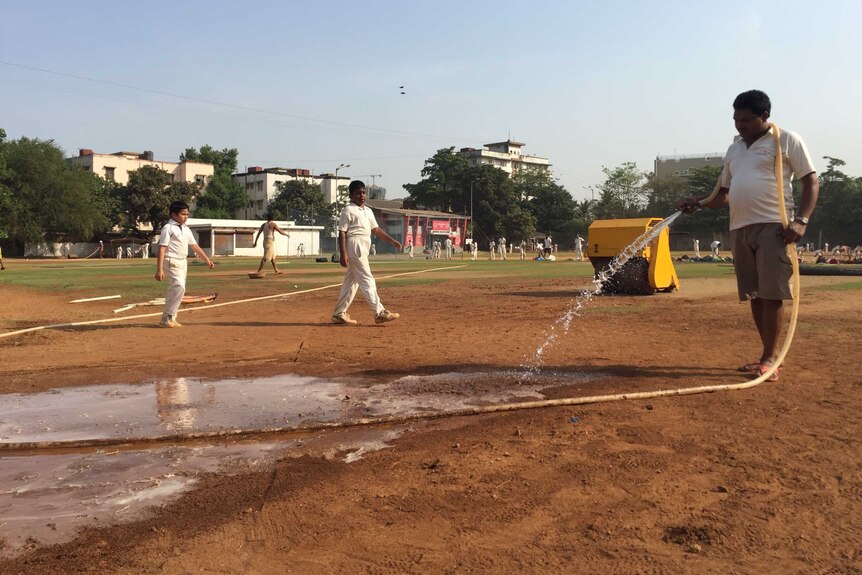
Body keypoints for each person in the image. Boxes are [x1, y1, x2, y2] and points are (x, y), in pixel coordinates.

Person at [677, 90, 819, 381]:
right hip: (739, 228)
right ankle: (766, 354)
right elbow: (723, 195)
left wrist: (801, 221)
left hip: (773, 226)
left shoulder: (786, 139)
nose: (739, 125)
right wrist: (699, 203)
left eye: (745, 120)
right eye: (735, 119)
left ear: (764, 116)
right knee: (754, 294)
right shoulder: (734, 150)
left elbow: (811, 181)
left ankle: (771, 358)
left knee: (772, 294)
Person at [331, 181, 402, 326]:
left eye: (363, 192)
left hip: (363, 246)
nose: (362, 195)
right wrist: (343, 254)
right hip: (354, 245)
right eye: (357, 193)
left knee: (352, 283)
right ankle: (379, 312)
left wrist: (392, 240)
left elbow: (376, 229)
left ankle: (339, 313)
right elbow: (342, 233)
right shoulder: (348, 210)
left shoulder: (368, 211)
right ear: (351, 195)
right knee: (367, 279)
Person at [155, 201, 215, 328]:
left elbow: (194, 246)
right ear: (174, 215)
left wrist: (207, 259)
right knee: (179, 287)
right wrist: (159, 269)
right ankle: (168, 317)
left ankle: (169, 318)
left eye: (187, 214)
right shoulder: (168, 228)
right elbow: (161, 248)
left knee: (178, 290)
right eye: (183, 214)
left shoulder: (186, 229)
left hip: (183, 262)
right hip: (171, 260)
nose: (186, 216)